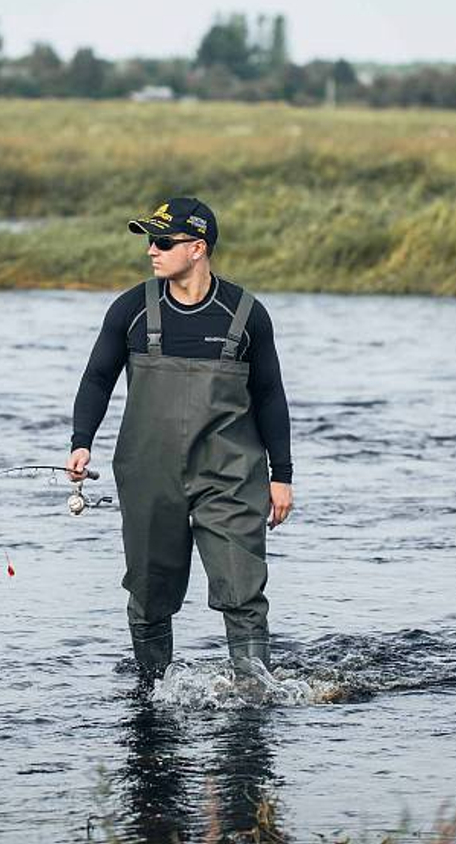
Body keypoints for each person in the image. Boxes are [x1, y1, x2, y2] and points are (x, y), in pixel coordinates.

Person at [66, 197, 293, 679]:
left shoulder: (247, 315)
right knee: (150, 592)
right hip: (149, 475)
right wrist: (81, 441)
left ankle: (254, 695)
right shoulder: (130, 309)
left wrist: (282, 476)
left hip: (231, 476)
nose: (151, 250)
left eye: (163, 241)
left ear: (197, 248)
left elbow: (271, 396)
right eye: (149, 239)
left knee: (242, 588)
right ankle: (151, 692)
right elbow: (96, 379)